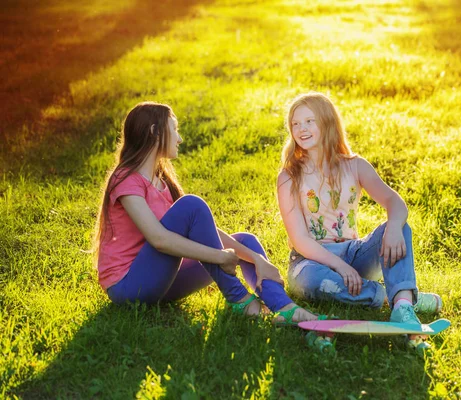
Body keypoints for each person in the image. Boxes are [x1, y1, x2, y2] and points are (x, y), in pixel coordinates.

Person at [93, 101, 323, 325]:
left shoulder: (161, 181)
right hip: (129, 286)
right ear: (155, 132)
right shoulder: (126, 179)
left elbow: (205, 232)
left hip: (161, 281)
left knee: (245, 241)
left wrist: (257, 259)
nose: (180, 138)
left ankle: (284, 308)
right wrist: (220, 257)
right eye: (175, 129)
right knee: (192, 205)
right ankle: (242, 301)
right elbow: (159, 240)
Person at [277, 92, 441, 333]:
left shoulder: (355, 165)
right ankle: (399, 296)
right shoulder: (289, 177)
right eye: (295, 123)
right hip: (310, 262)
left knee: (400, 227)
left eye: (309, 121)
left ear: (327, 121)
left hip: (354, 254)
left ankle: (402, 308)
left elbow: (394, 201)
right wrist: (340, 267)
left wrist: (394, 228)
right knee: (312, 282)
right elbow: (300, 240)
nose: (301, 129)